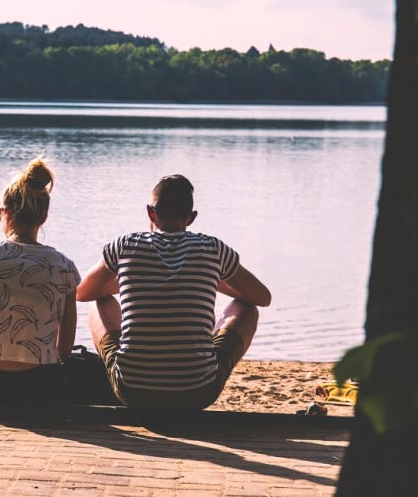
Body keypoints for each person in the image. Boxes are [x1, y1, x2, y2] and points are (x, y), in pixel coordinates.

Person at [76, 174, 272, 413]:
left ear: (150, 213)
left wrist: (134, 276)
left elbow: (83, 292)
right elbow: (262, 298)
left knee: (99, 301)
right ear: (191, 218)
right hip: (198, 391)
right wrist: (212, 277)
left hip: (132, 390)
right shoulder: (212, 248)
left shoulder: (126, 245)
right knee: (247, 308)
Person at [0, 156, 80, 420]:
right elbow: (64, 350)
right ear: (44, 216)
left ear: (7, 212)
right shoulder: (63, 265)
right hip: (43, 391)